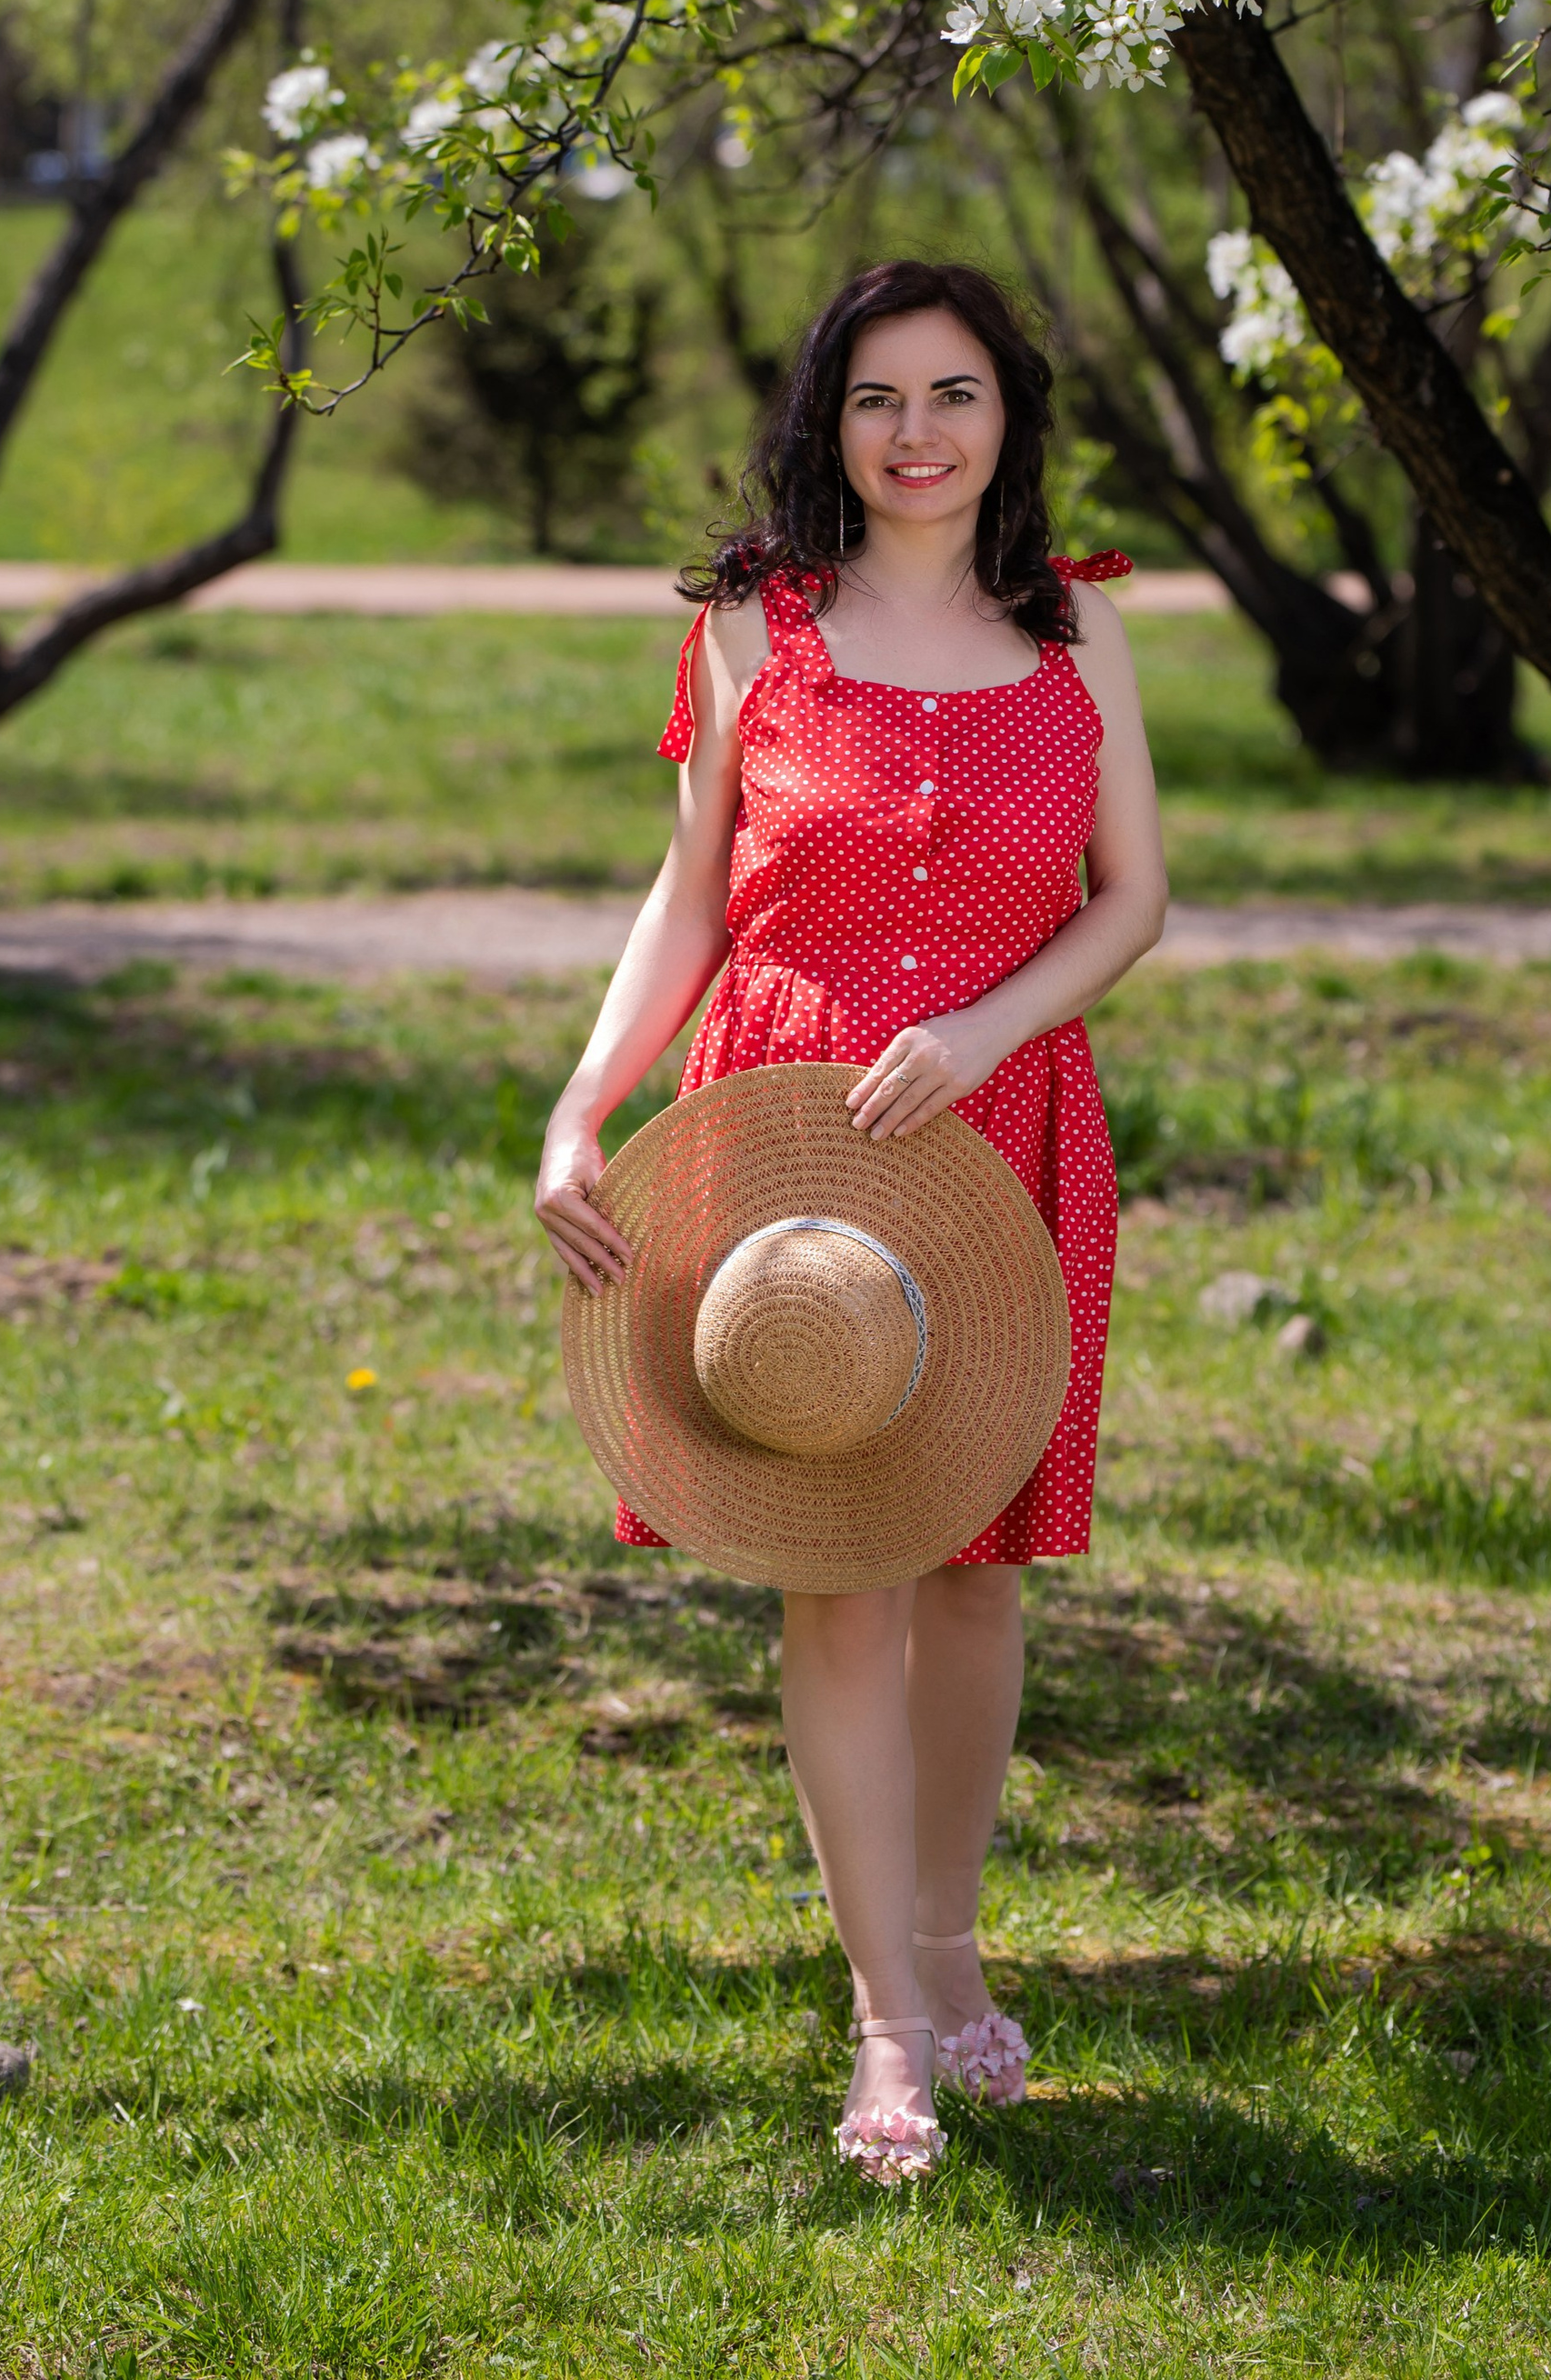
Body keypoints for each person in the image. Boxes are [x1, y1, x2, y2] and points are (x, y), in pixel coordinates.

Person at [535, 258, 1167, 2183]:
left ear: (1007, 420)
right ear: (829, 417)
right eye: (879, 396)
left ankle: (952, 1946)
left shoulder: (1079, 636)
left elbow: (1129, 898)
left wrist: (979, 1026)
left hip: (998, 1123)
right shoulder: (753, 628)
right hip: (783, 1127)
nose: (916, 433)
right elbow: (689, 900)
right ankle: (887, 2025)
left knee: (978, 1565)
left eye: (954, 393)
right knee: (841, 1556)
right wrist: (582, 1106)